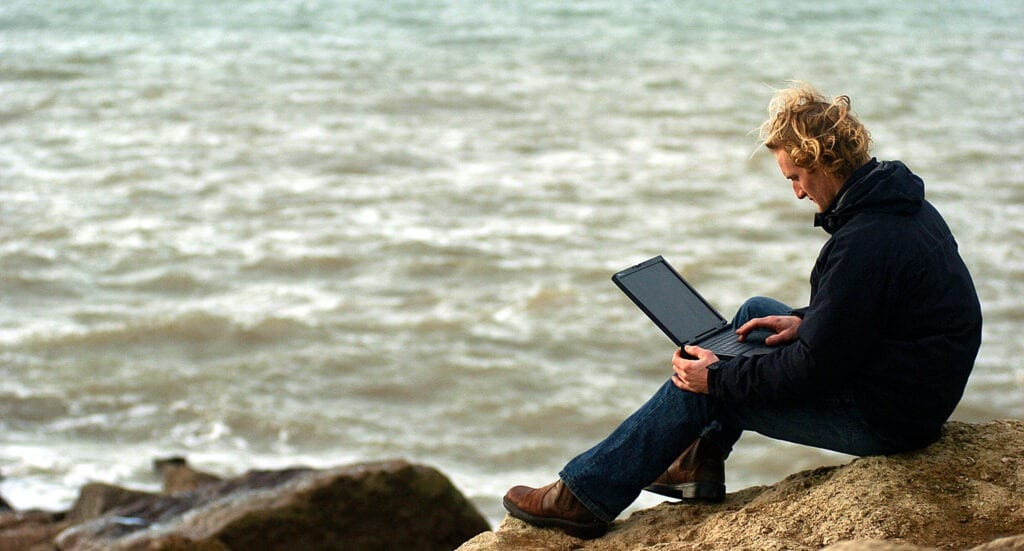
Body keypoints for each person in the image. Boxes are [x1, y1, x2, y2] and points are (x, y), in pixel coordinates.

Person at [502, 82, 983, 539]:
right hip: (908, 388)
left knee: (703, 386)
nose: (796, 192)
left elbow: (812, 371)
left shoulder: (865, 242)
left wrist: (716, 380)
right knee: (754, 313)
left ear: (822, 161)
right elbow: (877, 310)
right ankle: (696, 464)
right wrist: (806, 319)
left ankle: (582, 498)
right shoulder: (899, 205)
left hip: (889, 418)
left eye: (796, 177)